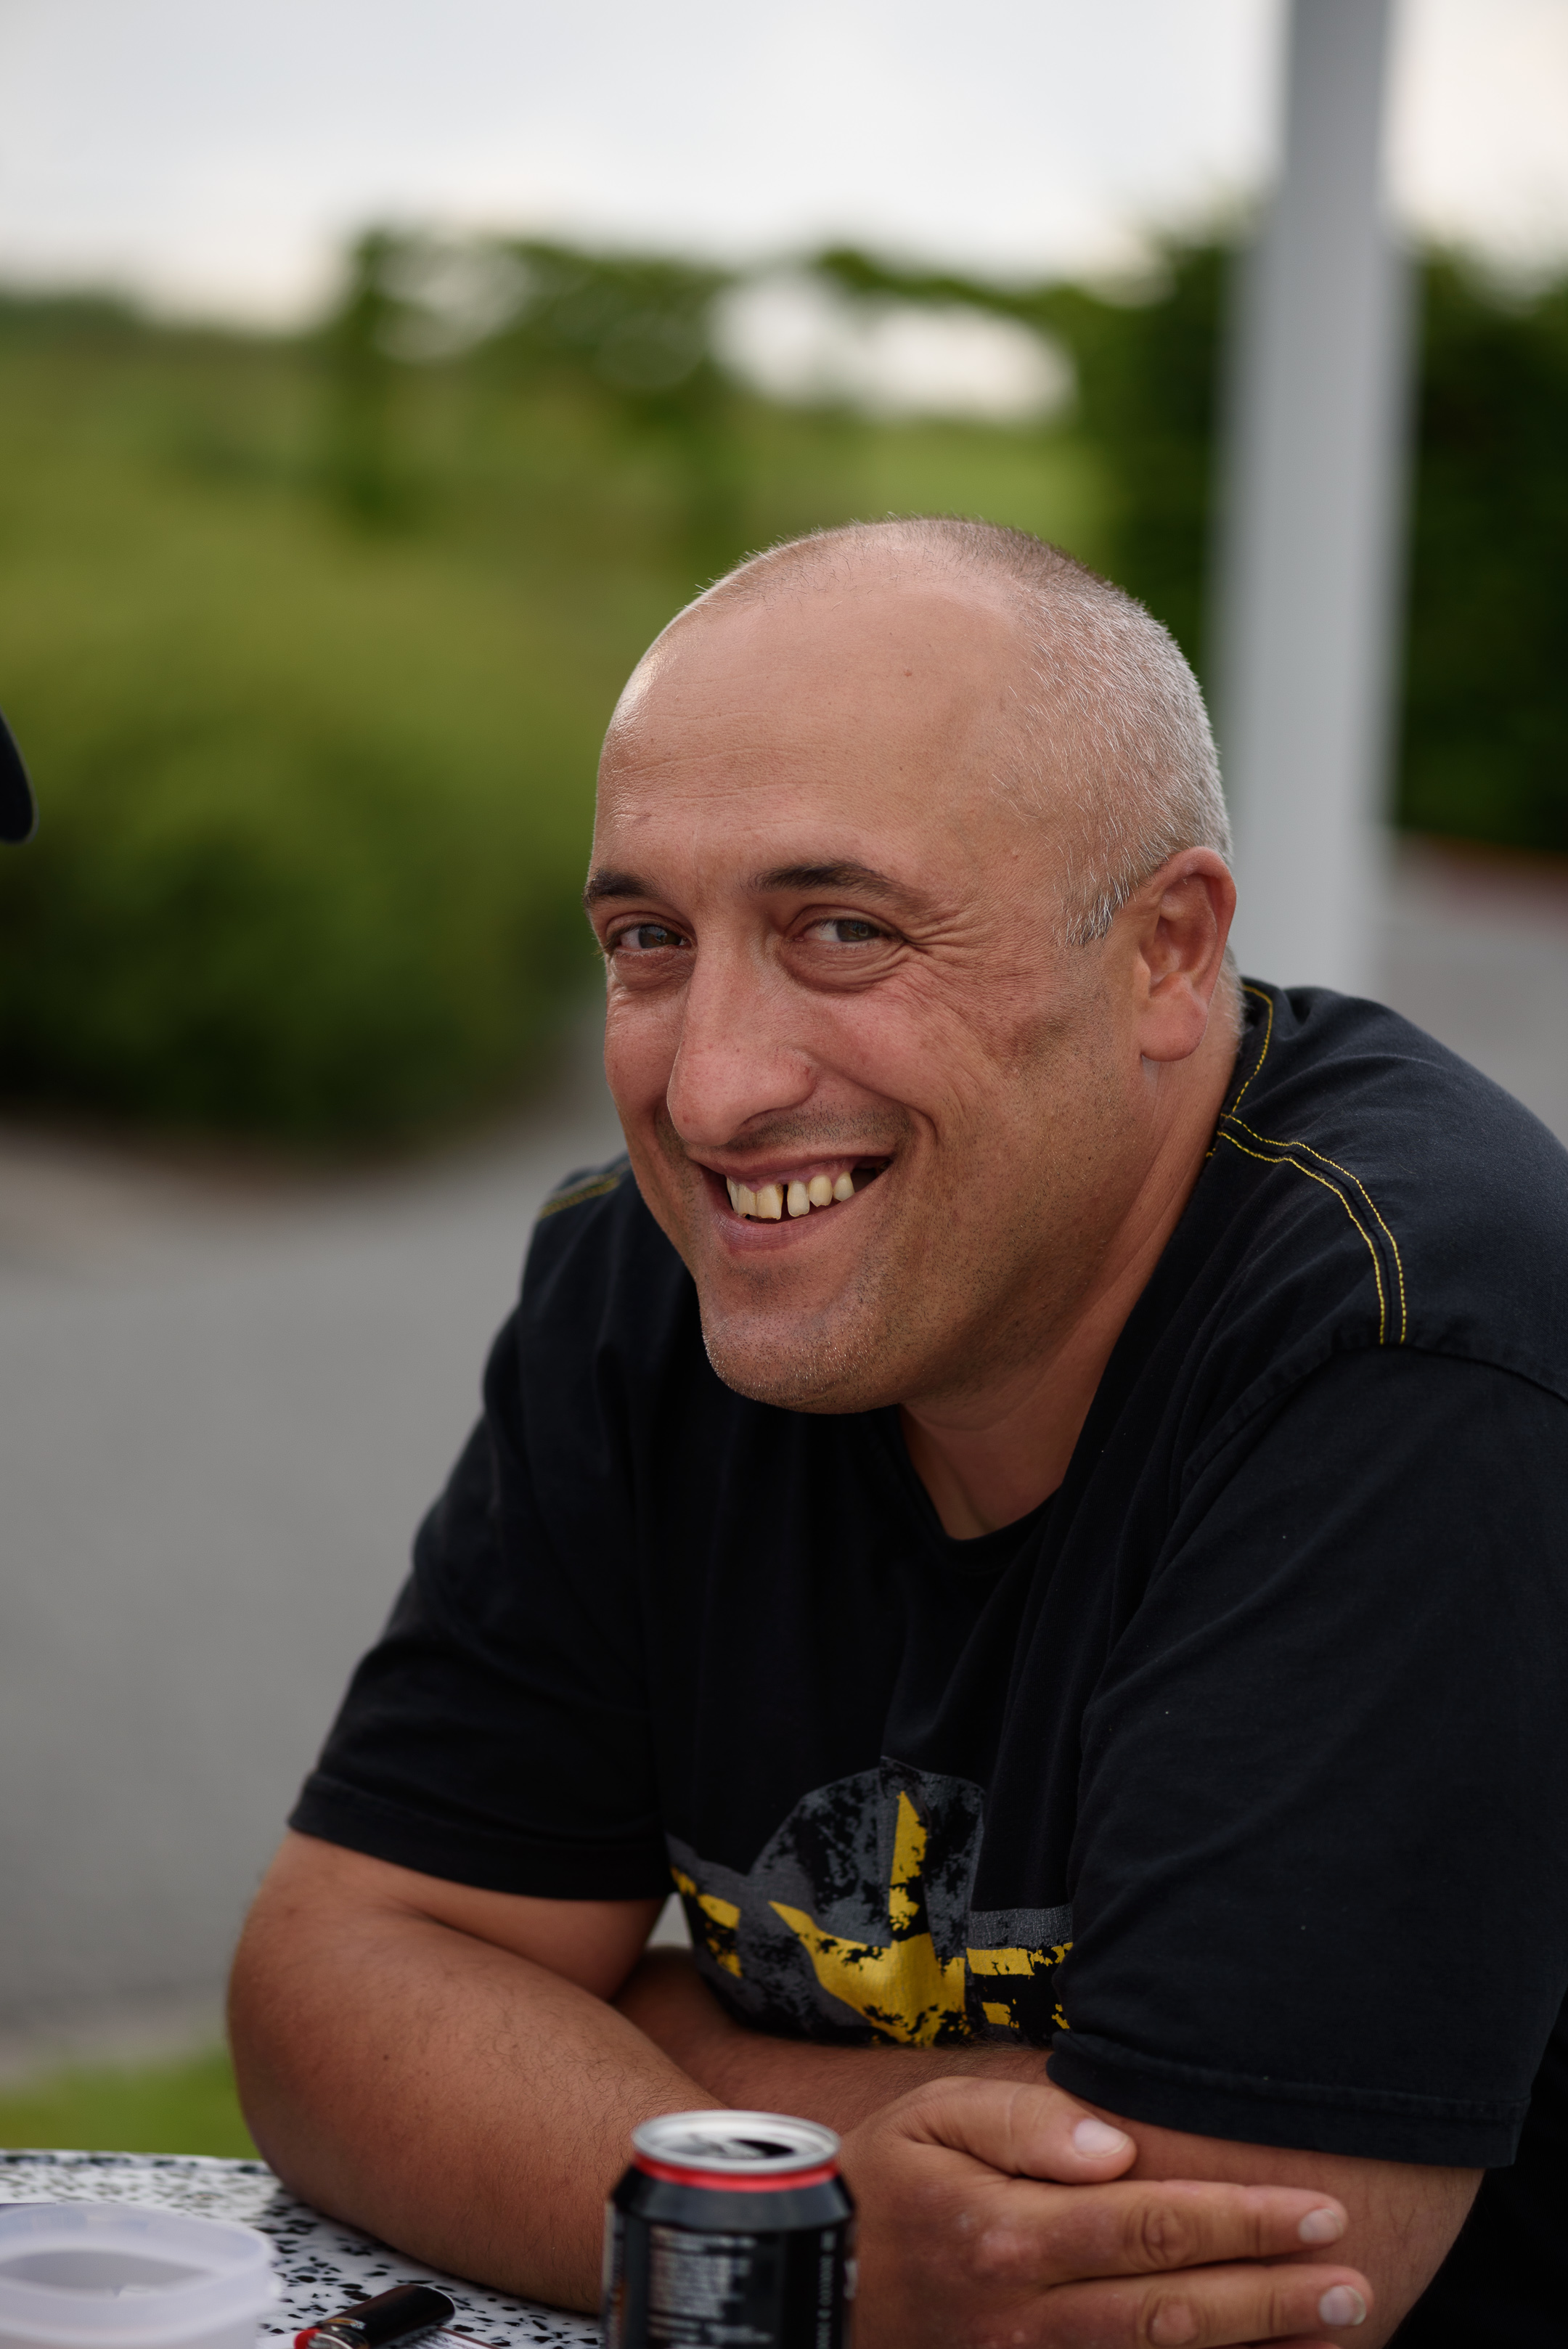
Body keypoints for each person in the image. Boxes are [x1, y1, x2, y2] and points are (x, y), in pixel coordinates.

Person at [230, 520, 1568, 2349]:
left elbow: (1229, 2263)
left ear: (1168, 952)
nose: (712, 1090)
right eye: (647, 940)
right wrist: (832, 2225)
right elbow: (332, 1990)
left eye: (843, 931)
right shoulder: (651, 1278)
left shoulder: (1405, 1332)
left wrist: (644, 2047)